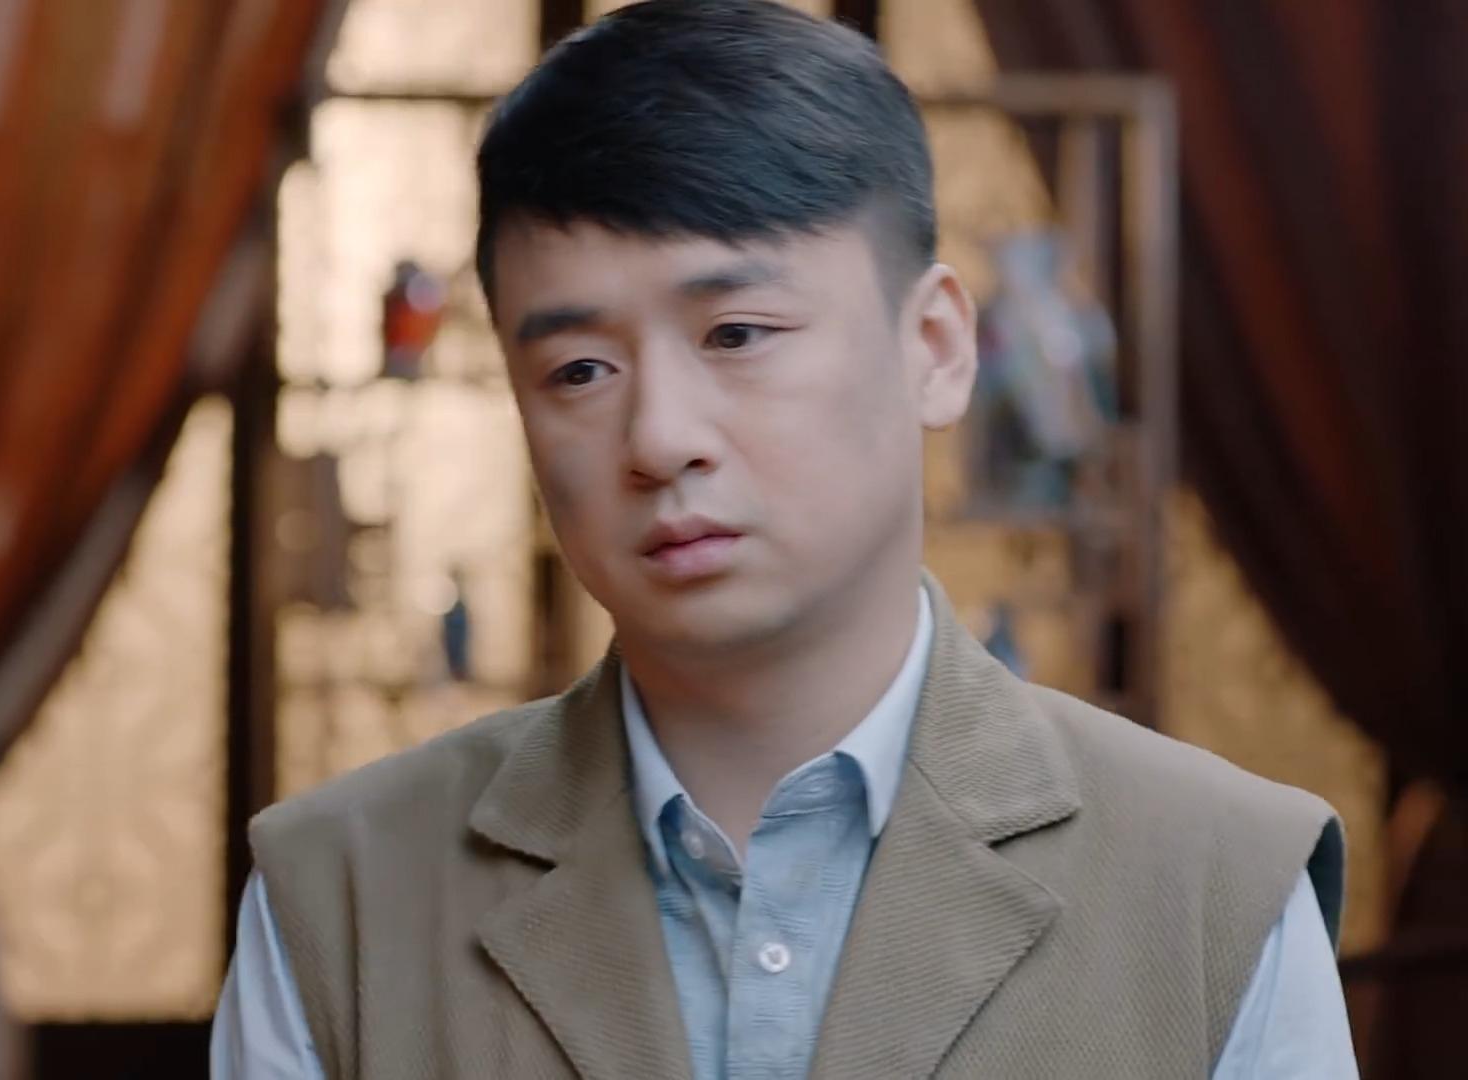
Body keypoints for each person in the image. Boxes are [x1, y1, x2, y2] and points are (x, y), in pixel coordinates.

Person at [213, 2, 1356, 1076]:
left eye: (737, 334)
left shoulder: (1213, 885)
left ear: (936, 347)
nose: (659, 438)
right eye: (580, 370)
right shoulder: (343, 895)